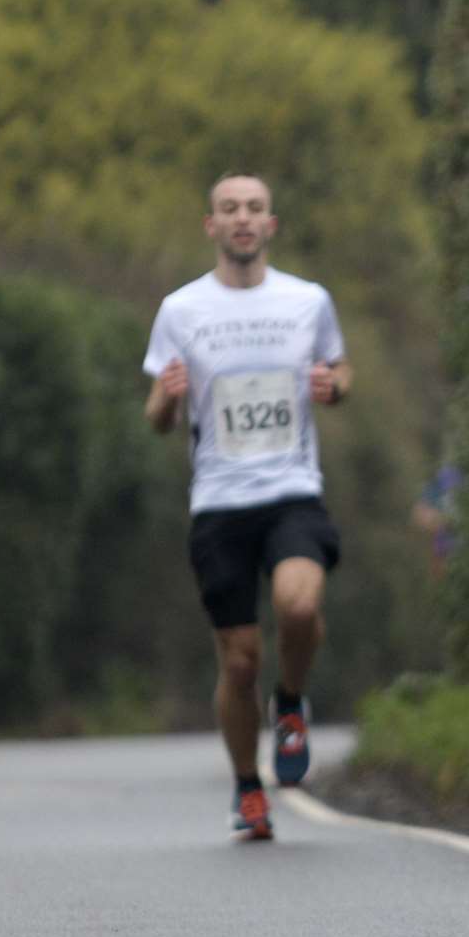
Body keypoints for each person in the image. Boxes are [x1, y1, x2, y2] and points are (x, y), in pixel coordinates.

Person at [143, 173, 352, 841]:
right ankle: (246, 785)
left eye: (254, 208)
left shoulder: (307, 300)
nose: (242, 219)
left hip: (292, 490)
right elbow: (156, 419)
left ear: (271, 224)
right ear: (211, 225)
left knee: (298, 605)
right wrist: (168, 397)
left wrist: (332, 386)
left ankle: (289, 701)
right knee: (236, 660)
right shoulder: (180, 309)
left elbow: (340, 372)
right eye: (229, 209)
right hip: (219, 501)